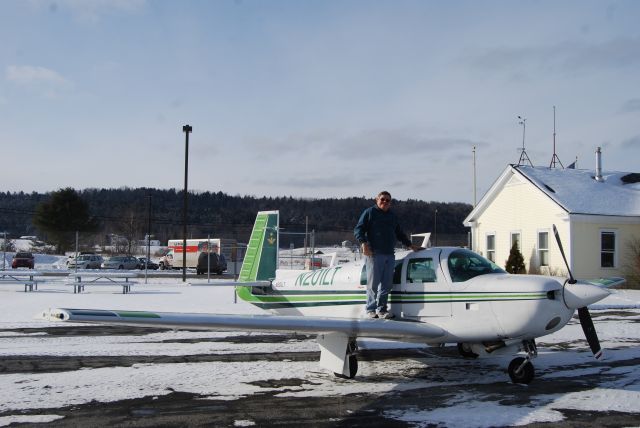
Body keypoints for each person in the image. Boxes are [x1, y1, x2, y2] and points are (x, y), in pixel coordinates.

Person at [354, 191, 421, 319]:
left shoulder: (392, 216)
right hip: (373, 254)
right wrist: (363, 243)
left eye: (388, 200)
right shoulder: (369, 212)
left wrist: (410, 245)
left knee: (386, 284)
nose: (385, 202)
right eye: (382, 199)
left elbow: (399, 233)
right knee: (373, 284)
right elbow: (359, 229)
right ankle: (370, 309)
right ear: (377, 200)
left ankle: (382, 309)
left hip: (389, 255)